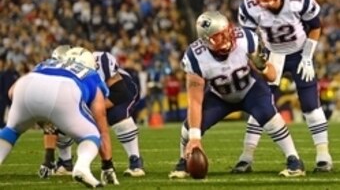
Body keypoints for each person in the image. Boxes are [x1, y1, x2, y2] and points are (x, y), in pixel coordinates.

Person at [168, 10, 305, 179]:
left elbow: (272, 76)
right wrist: (195, 139)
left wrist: (262, 67)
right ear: (206, 41)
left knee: (268, 115)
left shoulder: (246, 39)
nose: (227, 36)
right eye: (219, 35)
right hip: (220, 96)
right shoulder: (194, 58)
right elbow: (195, 101)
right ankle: (184, 161)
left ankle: (294, 159)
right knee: (189, 128)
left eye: (227, 30)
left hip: (251, 90)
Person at [234, 0, 332, 173]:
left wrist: (307, 56)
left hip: (299, 53)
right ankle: (246, 156)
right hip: (273, 56)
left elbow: (315, 27)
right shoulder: (249, 7)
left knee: (310, 105)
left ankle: (323, 156)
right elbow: (249, 38)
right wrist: (255, 60)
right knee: (261, 105)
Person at [0, 47, 111, 188]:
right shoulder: (90, 73)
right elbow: (100, 115)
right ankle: (82, 167)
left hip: (26, 85)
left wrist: (35, 116)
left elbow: (11, 92)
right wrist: (108, 164)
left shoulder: (45, 63)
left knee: (11, 130)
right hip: (64, 89)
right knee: (91, 134)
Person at [39, 47, 145, 179]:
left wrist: (90, 110)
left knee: (118, 117)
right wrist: (48, 157)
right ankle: (65, 162)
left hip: (118, 92)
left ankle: (135, 160)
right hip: (90, 97)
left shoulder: (102, 62)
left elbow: (120, 93)